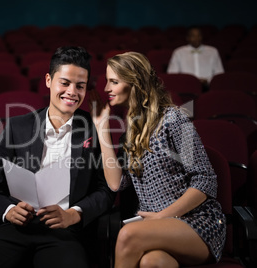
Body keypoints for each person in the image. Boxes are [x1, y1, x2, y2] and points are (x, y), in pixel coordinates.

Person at [0, 46, 115, 268]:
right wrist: (9, 211)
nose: (72, 92)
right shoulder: (16, 127)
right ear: (49, 80)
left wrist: (74, 214)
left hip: (65, 232)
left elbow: (106, 190)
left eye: (80, 86)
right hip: (16, 228)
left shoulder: (94, 129)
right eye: (65, 83)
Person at [90, 52, 226, 268]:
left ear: (135, 82)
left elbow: (205, 180)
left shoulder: (176, 118)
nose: (106, 88)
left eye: (113, 81)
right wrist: (102, 129)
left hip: (197, 223)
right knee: (152, 262)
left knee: (127, 235)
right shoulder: (130, 134)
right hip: (156, 227)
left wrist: (162, 217)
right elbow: (117, 183)